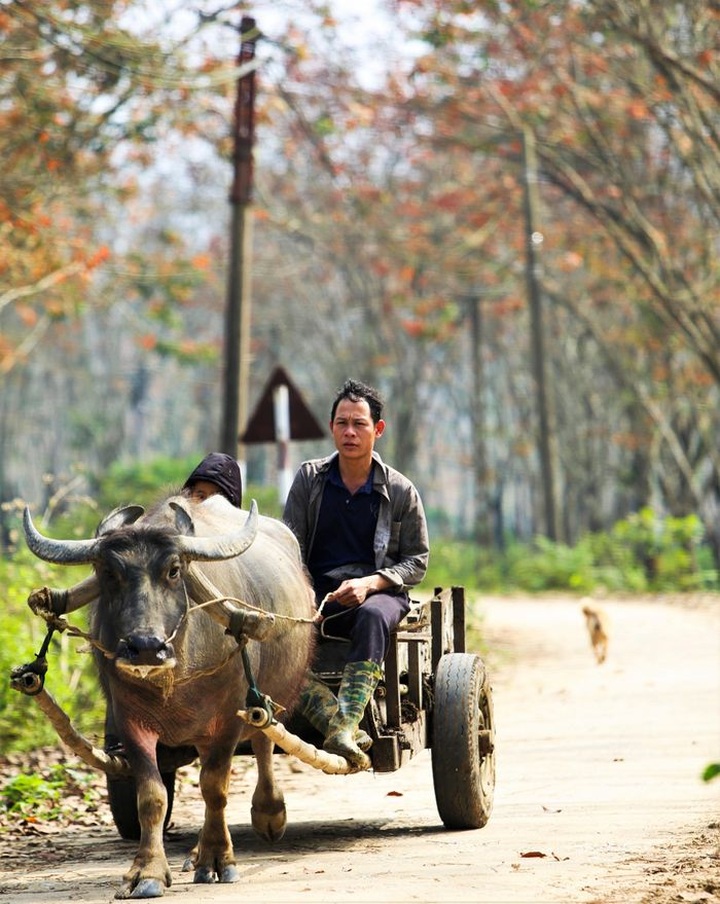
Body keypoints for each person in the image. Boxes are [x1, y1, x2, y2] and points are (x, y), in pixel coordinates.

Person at [283, 379, 429, 768]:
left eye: (359, 424)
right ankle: (340, 728)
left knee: (372, 615)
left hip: (379, 592)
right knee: (272, 642)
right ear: (331, 427)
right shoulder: (309, 480)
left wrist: (370, 583)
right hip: (316, 595)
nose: (350, 432)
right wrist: (304, 592)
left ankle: (346, 723)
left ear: (377, 430)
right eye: (342, 423)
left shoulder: (400, 490)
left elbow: (417, 560)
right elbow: (288, 550)